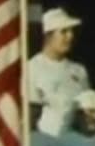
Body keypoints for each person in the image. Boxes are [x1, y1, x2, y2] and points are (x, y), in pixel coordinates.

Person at [28, 8, 91, 137]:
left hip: (76, 143)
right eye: (64, 32)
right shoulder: (32, 68)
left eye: (71, 31)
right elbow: (30, 114)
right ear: (48, 36)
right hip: (47, 143)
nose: (70, 36)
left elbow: (88, 109)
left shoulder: (79, 71)